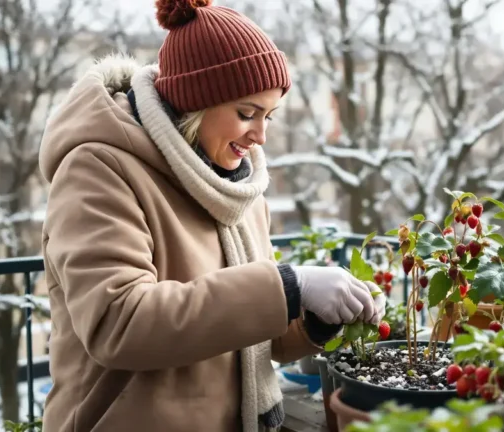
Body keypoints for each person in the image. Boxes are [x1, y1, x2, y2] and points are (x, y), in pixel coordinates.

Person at [37, 0, 387, 431]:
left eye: (268, 116)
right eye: (247, 114)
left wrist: (314, 316)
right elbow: (119, 323)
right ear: (195, 102)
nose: (260, 136)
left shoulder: (235, 183)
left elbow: (250, 333)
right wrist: (288, 287)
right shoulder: (98, 168)